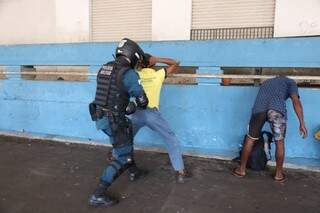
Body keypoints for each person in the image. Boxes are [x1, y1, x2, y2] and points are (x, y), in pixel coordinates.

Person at [88, 38, 149, 207]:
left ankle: (134, 171)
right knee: (123, 156)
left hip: (101, 117)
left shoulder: (105, 68)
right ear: (133, 56)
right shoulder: (128, 74)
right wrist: (133, 106)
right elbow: (143, 101)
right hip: (113, 121)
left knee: (126, 137)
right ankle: (97, 194)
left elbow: (108, 94)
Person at [232, 76, 308, 183]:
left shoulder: (267, 82)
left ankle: (241, 170)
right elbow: (296, 101)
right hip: (276, 111)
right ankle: (278, 174)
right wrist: (302, 123)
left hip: (258, 110)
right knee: (279, 143)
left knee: (250, 139)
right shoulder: (291, 83)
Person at [129, 53, 190, 183]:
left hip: (137, 113)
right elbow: (176, 63)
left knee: (126, 138)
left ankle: (114, 156)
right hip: (152, 114)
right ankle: (180, 171)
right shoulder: (158, 75)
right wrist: (157, 58)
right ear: (153, 63)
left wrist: (141, 63)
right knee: (171, 139)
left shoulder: (136, 75)